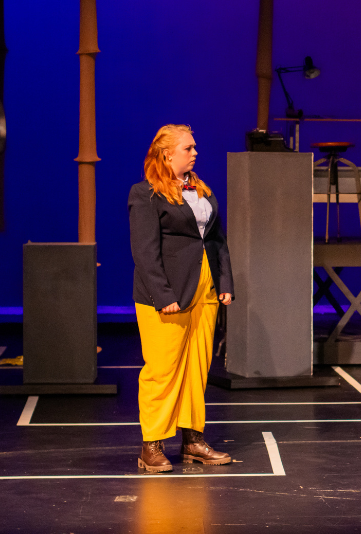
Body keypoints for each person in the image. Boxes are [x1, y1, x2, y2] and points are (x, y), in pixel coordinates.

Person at [128, 124, 235, 473]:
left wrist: (224, 281)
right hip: (168, 293)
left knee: (196, 368)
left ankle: (193, 441)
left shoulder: (200, 189)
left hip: (204, 290)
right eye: (188, 148)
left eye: (194, 147)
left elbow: (216, 239)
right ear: (167, 154)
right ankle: (152, 445)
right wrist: (162, 295)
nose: (195, 153)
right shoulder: (145, 194)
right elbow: (145, 252)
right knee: (162, 370)